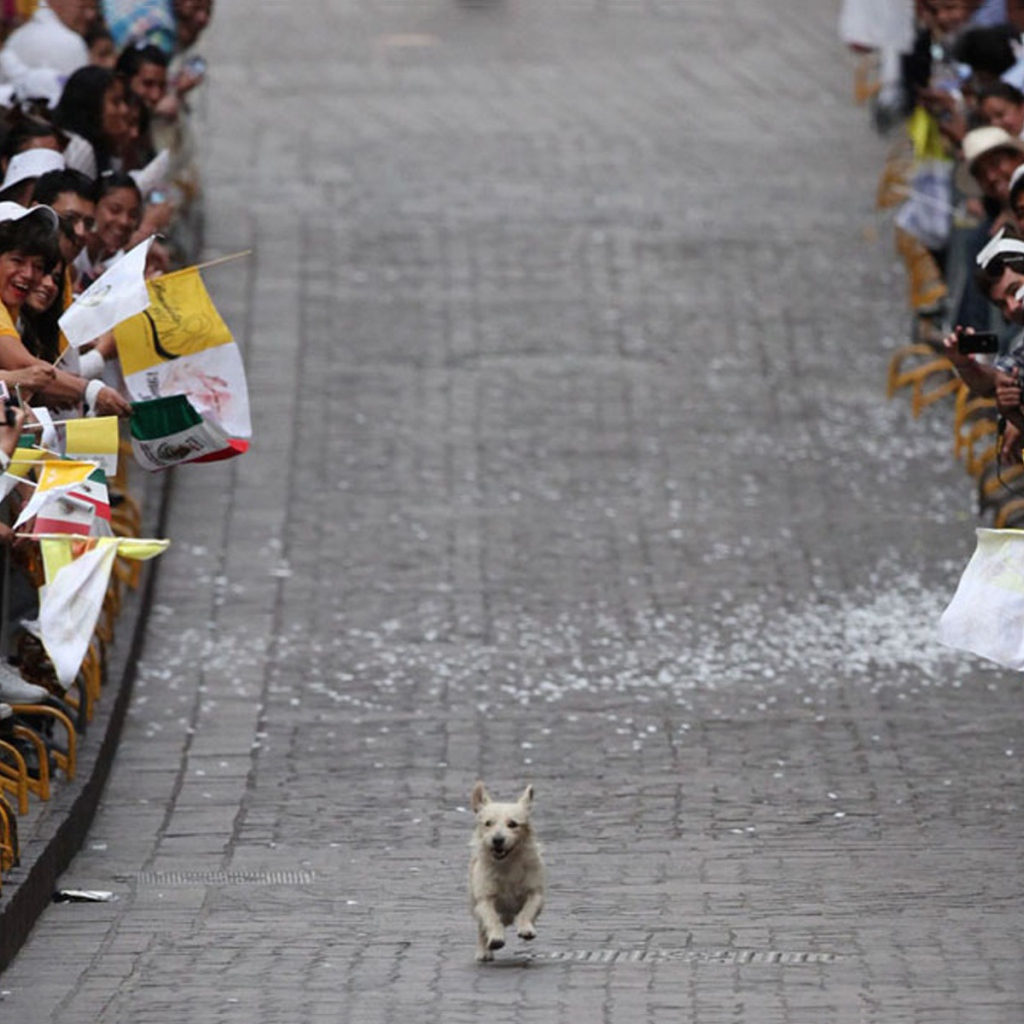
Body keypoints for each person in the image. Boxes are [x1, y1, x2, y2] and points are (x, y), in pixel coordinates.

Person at [52, 65, 131, 178]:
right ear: (91, 105)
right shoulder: (79, 149)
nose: (125, 110)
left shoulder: (103, 148)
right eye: (116, 102)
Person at [0, 0, 97, 87]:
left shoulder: (16, 37)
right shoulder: (68, 43)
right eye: (82, 6)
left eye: (94, 7)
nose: (91, 15)